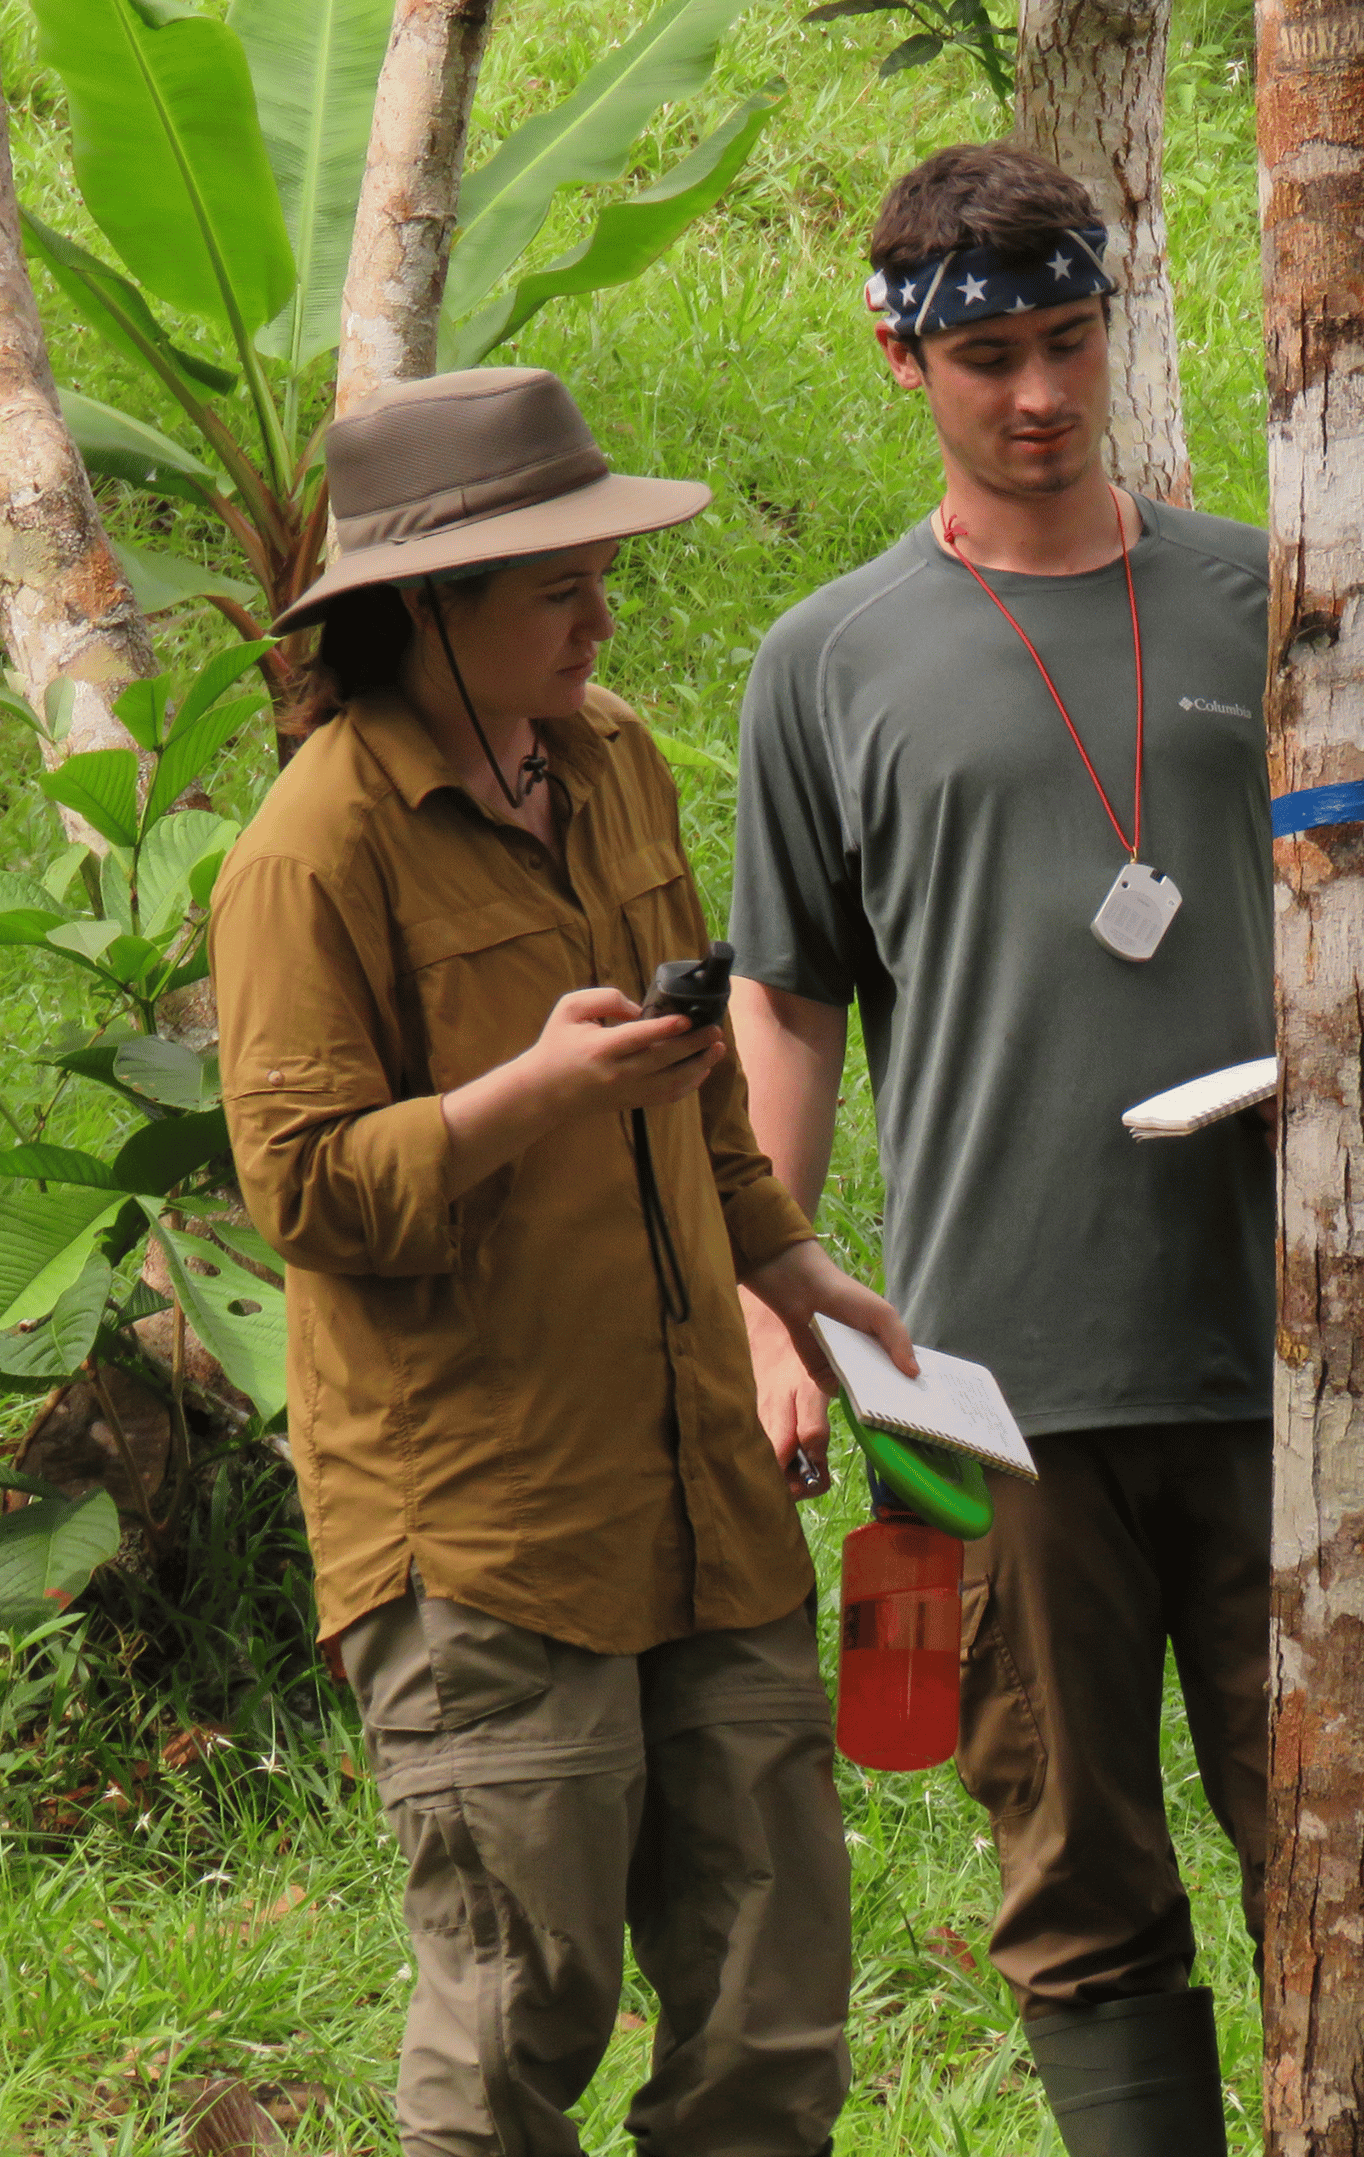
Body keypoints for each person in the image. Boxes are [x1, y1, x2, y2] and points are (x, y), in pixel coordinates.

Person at [214, 365, 915, 2157]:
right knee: (525, 2005)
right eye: (558, 586)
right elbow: (299, 1188)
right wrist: (522, 1095)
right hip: (485, 1523)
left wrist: (792, 1266)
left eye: (603, 572)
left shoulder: (605, 765)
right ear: (426, 612)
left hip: (702, 1492)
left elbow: (697, 1092)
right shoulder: (314, 850)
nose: (601, 614)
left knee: (774, 1998)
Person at [727, 144, 1274, 2155]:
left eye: (1069, 342)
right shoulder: (830, 658)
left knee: (1334, 1823)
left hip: (1283, 1339)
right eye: (990, 361)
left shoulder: (1263, 593)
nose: (1039, 395)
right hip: (969, 1376)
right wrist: (781, 1314)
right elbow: (780, 1000)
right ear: (904, 364)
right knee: (1067, 1866)